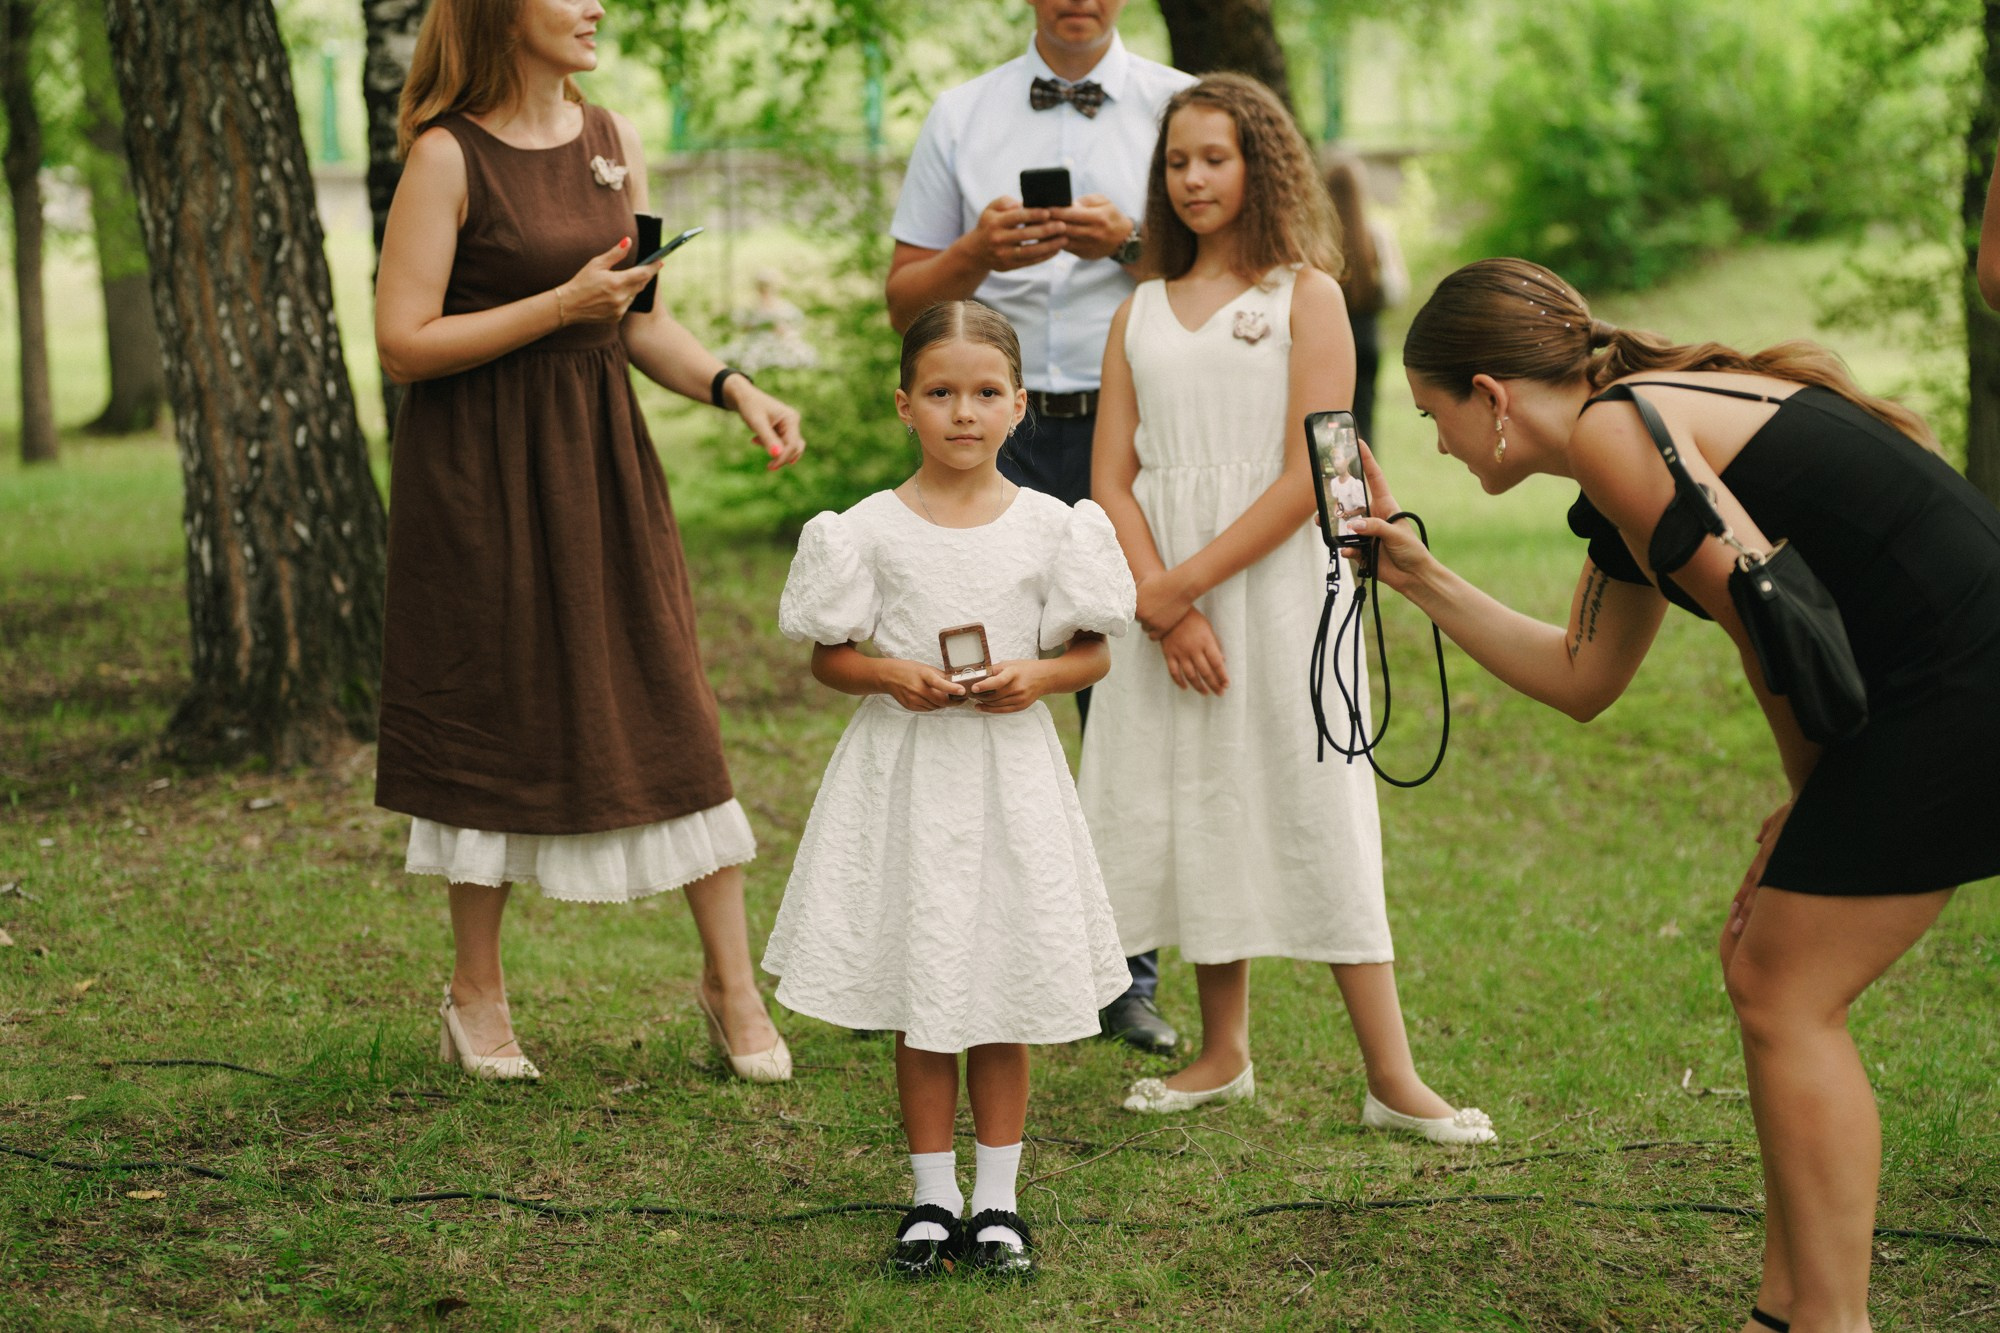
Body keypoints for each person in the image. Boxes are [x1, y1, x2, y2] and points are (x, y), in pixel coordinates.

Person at [1366, 257, 2000, 1330]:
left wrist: (1805, 804)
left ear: (1489, 395)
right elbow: (1582, 679)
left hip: (1961, 680)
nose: (1433, 443)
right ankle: (1782, 1305)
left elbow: (1774, 619)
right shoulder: (1620, 453)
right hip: (1930, 678)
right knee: (1761, 968)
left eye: (1433, 415)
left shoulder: (1622, 431)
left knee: (1782, 986)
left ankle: (1827, 1321)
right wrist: (1417, 575)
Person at [372, 0, 805, 1084]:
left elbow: (638, 315)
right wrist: (557, 306)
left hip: (599, 464)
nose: (593, 5)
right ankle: (475, 995)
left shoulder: (610, 138)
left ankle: (729, 985)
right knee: (491, 706)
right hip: (478, 475)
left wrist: (733, 386)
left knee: (668, 693)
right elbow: (402, 342)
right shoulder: (444, 156)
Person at [1079, 75, 1493, 1145]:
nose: (1192, 179)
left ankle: (1391, 1075)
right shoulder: (1135, 307)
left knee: (1318, 805)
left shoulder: (1305, 295)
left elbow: (1313, 466)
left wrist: (1185, 588)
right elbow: (1111, 478)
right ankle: (1221, 1053)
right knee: (1201, 799)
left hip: (1274, 589)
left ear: (1258, 166)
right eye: (1176, 162)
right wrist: (1161, 608)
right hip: (1166, 594)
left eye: (1213, 158)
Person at [765, 301, 1135, 1279]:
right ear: (903, 405)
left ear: (1017, 406)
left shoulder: (1054, 529)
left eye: (982, 394)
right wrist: (892, 674)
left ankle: (999, 1200)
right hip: (909, 779)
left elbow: (1092, 652)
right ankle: (931, 1196)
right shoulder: (866, 531)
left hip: (1008, 778)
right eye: (939, 393)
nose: (960, 413)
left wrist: (1038, 676)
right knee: (925, 986)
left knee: (1000, 986)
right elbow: (829, 662)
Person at [885, 0, 1196, 1056]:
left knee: (1121, 705)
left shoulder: (1175, 109)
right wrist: (973, 251)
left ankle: (1124, 976)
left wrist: (1130, 243)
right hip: (994, 439)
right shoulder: (961, 114)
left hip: (1134, 434)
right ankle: (959, 947)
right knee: (977, 696)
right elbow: (902, 300)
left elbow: (1230, 279)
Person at [1323, 154, 1408, 445]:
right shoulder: (1375, 233)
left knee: (1333, 421)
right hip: (1367, 334)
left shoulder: (1321, 237)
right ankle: (1368, 483)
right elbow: (1397, 290)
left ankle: (1339, 485)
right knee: (1365, 418)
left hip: (1330, 335)